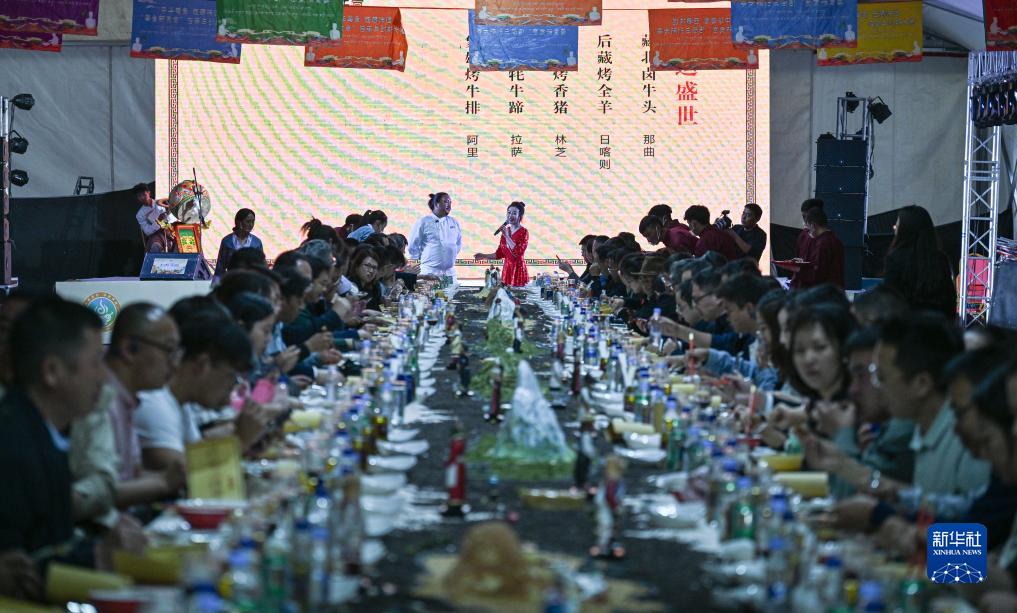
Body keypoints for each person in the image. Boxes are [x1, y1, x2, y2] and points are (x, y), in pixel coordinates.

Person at [0, 297, 105, 590]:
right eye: (96, 362)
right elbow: (26, 575)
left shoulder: (42, 431)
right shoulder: (12, 449)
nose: (103, 377)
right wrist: (100, 555)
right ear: (52, 372)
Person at [882, 205, 956, 319]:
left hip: (905, 324)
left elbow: (890, 297)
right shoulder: (940, 259)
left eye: (898, 224)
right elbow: (950, 299)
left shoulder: (895, 258)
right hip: (935, 324)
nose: (894, 227)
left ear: (905, 229)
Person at [408, 192, 462, 279]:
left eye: (450, 202)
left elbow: (458, 244)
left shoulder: (454, 222)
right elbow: (413, 246)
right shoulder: (423, 222)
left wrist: (448, 256)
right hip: (428, 272)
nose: (449, 205)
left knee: (451, 289)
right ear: (436, 204)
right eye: (446, 202)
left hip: (449, 273)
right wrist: (415, 266)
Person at [474, 201, 529, 287]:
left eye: (514, 213)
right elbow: (499, 254)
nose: (510, 215)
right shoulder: (506, 231)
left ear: (520, 216)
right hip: (507, 270)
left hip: (517, 270)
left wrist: (507, 236)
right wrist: (484, 255)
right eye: (509, 212)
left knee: (517, 294)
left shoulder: (524, 232)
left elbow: (518, 252)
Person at [790, 206, 844, 289]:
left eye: (808, 227)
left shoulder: (822, 243)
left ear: (813, 225)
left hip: (823, 291)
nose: (808, 232)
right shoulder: (836, 240)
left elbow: (817, 274)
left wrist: (798, 269)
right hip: (835, 290)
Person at [213, 208, 263, 279]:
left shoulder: (257, 243)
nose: (251, 225)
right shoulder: (227, 241)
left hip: (251, 282)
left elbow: (261, 267)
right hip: (232, 281)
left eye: (253, 222)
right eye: (248, 221)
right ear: (239, 222)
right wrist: (216, 283)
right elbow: (220, 267)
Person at [133, 183, 172, 253]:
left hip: (169, 231)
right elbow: (147, 231)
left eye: (144, 194)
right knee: (155, 246)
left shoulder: (161, 202)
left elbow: (170, 218)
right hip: (155, 235)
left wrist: (163, 222)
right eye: (139, 196)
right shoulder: (140, 214)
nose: (142, 197)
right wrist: (159, 223)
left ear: (149, 193)